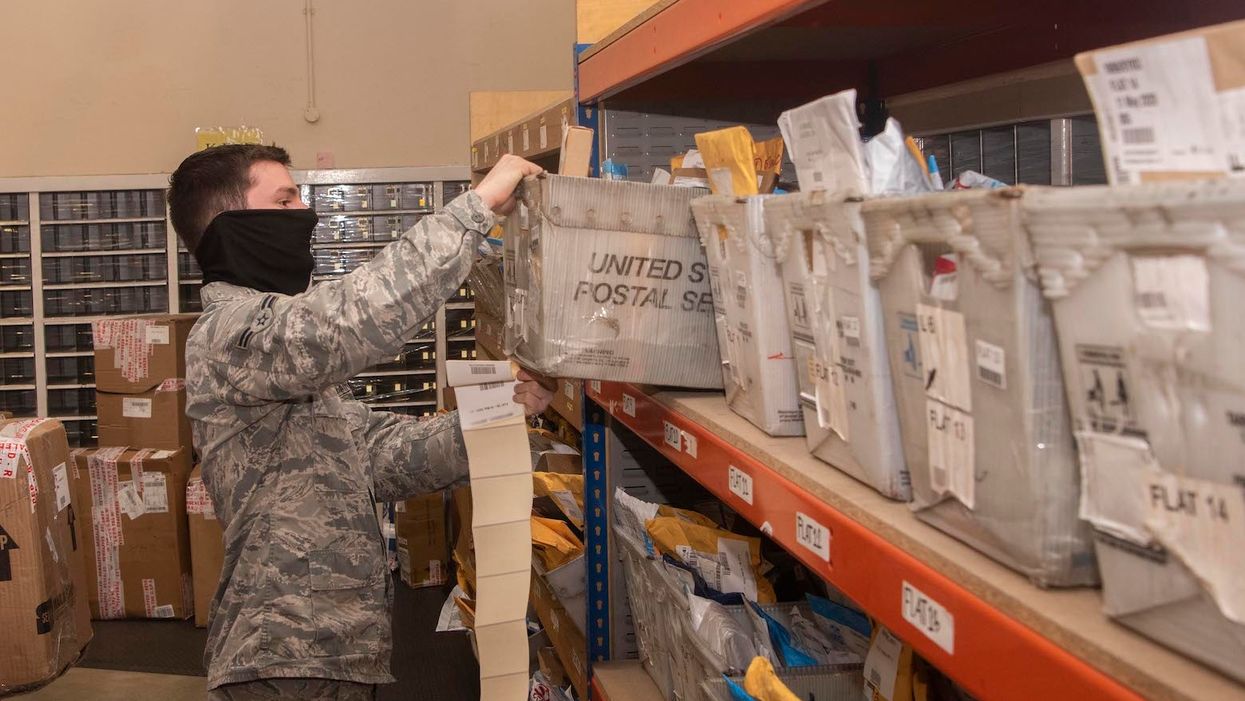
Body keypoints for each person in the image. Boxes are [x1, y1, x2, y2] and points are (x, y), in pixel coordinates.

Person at [168, 145, 552, 700]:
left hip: (336, 655)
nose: (306, 213)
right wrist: (476, 208)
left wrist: (499, 412)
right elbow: (350, 320)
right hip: (283, 658)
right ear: (233, 225)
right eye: (285, 199)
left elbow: (383, 457)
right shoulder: (232, 336)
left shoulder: (282, 360)